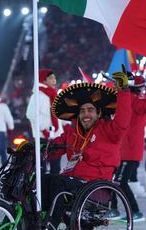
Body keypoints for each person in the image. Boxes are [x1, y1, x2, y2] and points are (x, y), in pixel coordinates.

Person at [42, 71, 131, 229]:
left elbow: (123, 121)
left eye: (90, 110)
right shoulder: (73, 132)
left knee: (57, 181)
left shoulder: (109, 130)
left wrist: (123, 91)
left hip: (95, 187)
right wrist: (36, 148)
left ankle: (51, 224)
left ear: (98, 113)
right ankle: (39, 221)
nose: (86, 114)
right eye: (82, 111)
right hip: (73, 182)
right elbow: (54, 147)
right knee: (44, 180)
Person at [109, 75, 146, 221]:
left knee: (119, 181)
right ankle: (113, 209)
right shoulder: (125, 99)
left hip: (129, 150)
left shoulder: (133, 100)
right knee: (113, 179)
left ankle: (135, 211)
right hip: (123, 149)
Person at [26, 69, 67, 174]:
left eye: (55, 78)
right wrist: (44, 129)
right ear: (44, 80)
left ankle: (52, 189)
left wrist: (65, 124)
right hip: (42, 136)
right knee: (41, 168)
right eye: (51, 78)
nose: (54, 80)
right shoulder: (37, 96)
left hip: (56, 136)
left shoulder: (55, 95)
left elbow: (59, 114)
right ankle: (42, 189)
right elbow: (31, 114)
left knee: (56, 167)